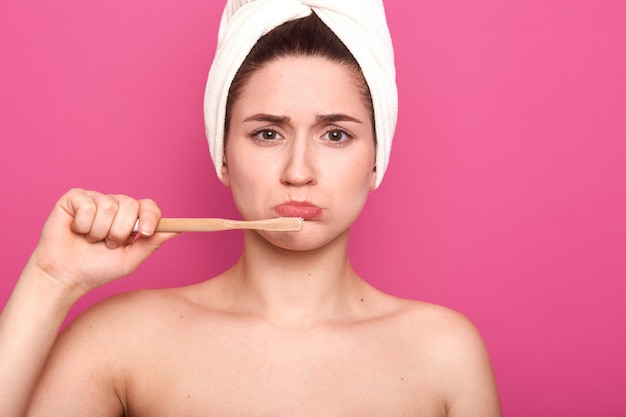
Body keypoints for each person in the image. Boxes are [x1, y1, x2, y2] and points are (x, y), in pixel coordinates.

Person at [0, 1, 502, 416]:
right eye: (268, 133)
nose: (298, 170)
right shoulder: (119, 340)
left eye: (335, 134)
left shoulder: (445, 354)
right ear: (222, 153)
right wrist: (50, 281)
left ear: (377, 159)